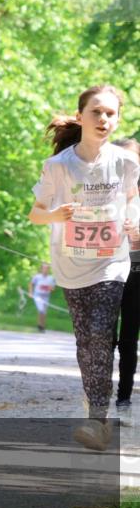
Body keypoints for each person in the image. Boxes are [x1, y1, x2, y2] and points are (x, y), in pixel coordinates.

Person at [29, 86, 139, 451]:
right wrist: (55, 215)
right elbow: (35, 213)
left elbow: (133, 200)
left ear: (118, 119)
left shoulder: (126, 162)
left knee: (98, 331)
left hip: (111, 263)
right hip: (71, 263)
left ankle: (97, 419)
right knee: (85, 341)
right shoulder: (58, 166)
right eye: (96, 112)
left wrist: (133, 223)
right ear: (81, 117)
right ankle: (97, 407)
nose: (104, 119)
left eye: (110, 113)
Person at [113, 137, 140, 424]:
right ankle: (98, 395)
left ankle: (124, 398)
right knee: (103, 337)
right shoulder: (102, 193)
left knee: (129, 338)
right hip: (105, 271)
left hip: (136, 272)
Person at [28, 263, 57, 332]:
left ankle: (42, 326)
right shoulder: (37, 277)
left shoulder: (51, 278)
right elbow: (31, 284)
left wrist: (51, 289)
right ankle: (39, 325)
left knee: (44, 311)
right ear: (41, 269)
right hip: (38, 295)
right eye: (44, 268)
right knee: (40, 309)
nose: (45, 270)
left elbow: (53, 288)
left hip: (46, 296)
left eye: (47, 268)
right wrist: (30, 292)